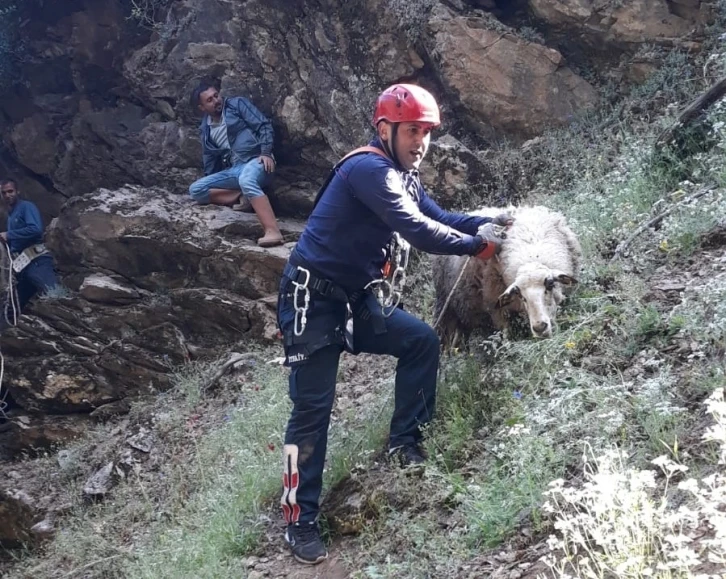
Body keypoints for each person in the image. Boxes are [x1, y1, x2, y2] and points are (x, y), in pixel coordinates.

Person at [275, 84, 513, 565]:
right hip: (311, 304)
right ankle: (297, 519)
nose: (420, 141)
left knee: (421, 341)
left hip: (353, 300)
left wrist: (490, 222)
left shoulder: (404, 175)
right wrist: (476, 247)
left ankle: (405, 444)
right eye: (412, 131)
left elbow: (439, 215)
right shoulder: (370, 170)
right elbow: (415, 228)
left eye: (426, 132)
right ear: (385, 130)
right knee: (312, 411)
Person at [188, 79, 284, 247]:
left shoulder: (236, 105)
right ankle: (241, 196)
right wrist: (216, 181)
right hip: (235, 169)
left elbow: (263, 125)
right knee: (196, 189)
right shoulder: (206, 129)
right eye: (209, 100)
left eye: (216, 95)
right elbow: (210, 159)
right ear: (202, 108)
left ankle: (273, 231)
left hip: (258, 161)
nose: (216, 100)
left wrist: (266, 153)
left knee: (247, 179)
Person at [0, 178, 59, 319]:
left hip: (37, 260)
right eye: (4, 193)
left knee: (53, 293)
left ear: (17, 191)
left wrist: (9, 234)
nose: (8, 195)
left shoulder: (26, 207)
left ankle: (71, 317)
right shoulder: (10, 216)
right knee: (11, 306)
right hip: (23, 266)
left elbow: (35, 229)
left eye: (10, 191)